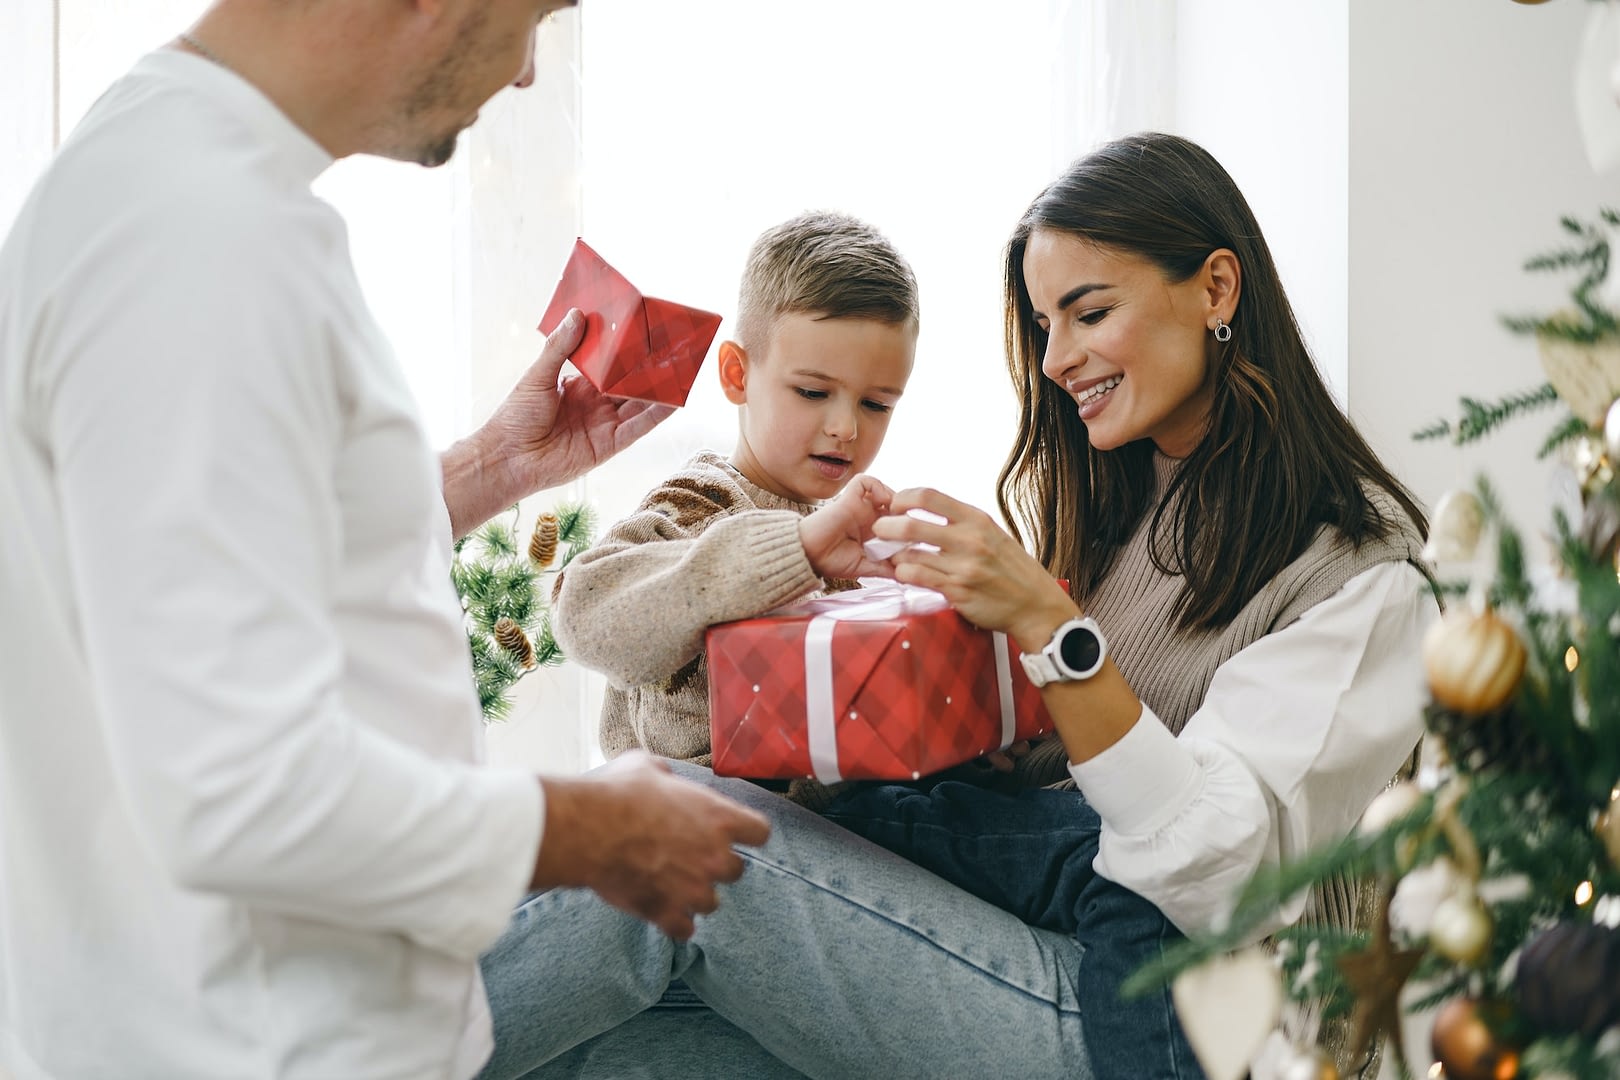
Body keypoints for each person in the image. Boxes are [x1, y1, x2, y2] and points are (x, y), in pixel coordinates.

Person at [476, 132, 1437, 1079]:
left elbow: (1217, 870)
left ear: (1216, 290)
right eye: (1044, 324)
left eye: (1088, 312)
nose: (1057, 358)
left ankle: (350, 1042)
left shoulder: (1360, 576)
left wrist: (1050, 633)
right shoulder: (1120, 503)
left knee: (664, 829)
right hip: (1008, 930)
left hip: (1172, 1017)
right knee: (610, 1046)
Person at [0, 1, 771, 1077]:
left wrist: (489, 474)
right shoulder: (200, 242)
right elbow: (234, 789)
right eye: (533, 18)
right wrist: (592, 828)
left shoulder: (158, 183)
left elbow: (229, 567)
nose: (523, 75)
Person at [552, 210, 918, 798]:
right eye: (813, 392)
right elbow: (582, 612)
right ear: (736, 374)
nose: (846, 426)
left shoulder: (860, 538)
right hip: (701, 822)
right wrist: (795, 550)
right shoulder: (702, 502)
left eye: (877, 404)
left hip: (828, 827)